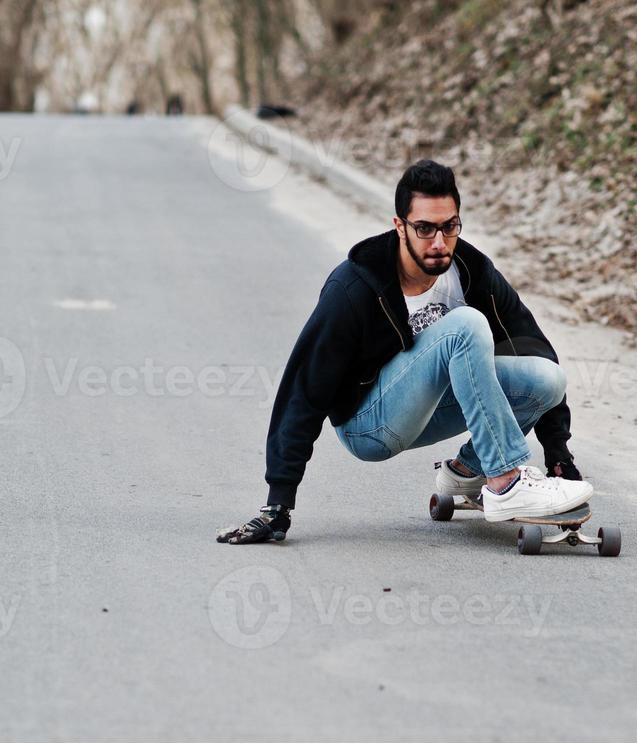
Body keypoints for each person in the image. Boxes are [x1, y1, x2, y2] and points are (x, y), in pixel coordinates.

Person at [217, 160, 590, 545]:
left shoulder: (470, 270)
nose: (439, 242)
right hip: (369, 424)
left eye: (449, 226)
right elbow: (306, 387)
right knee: (467, 325)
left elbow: (530, 341)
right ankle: (506, 480)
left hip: (431, 408)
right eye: (425, 229)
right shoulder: (356, 286)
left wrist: (559, 454)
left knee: (547, 379)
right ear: (400, 226)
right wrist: (279, 502)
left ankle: (468, 470)